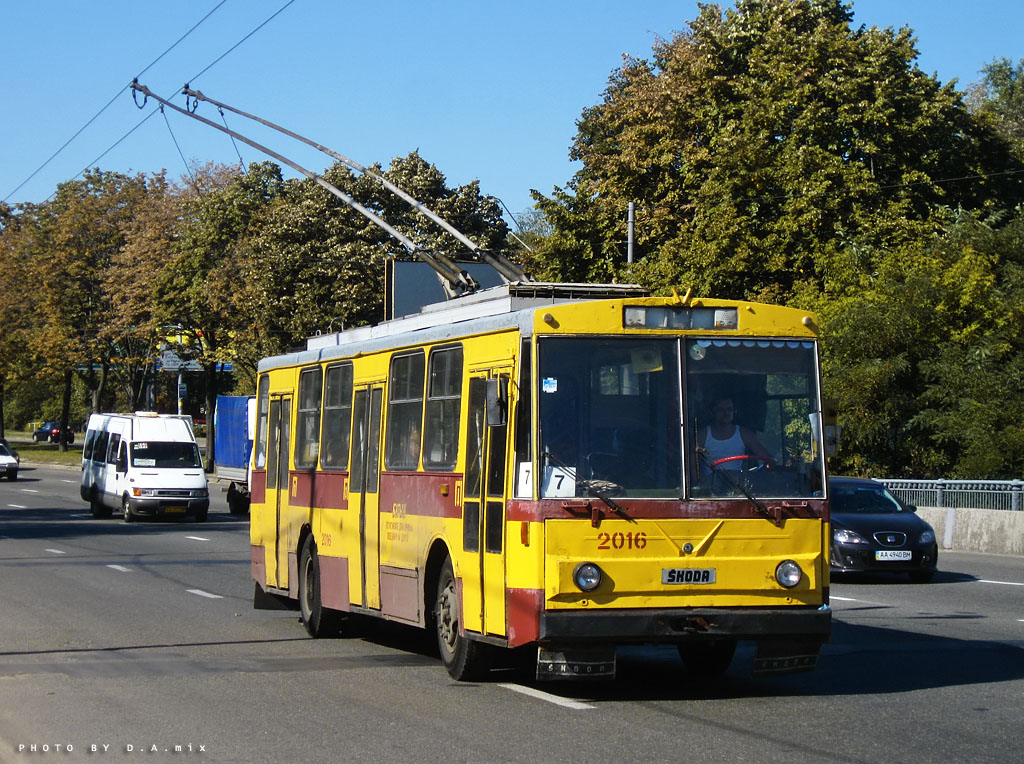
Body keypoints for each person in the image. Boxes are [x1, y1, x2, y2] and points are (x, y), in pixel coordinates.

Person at [696, 397, 772, 473]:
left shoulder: (744, 434)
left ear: (734, 412)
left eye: (729, 409)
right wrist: (698, 484)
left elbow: (768, 459)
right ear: (713, 412)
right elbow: (693, 464)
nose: (726, 413)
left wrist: (756, 475)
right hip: (708, 484)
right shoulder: (702, 435)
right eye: (721, 410)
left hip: (736, 484)